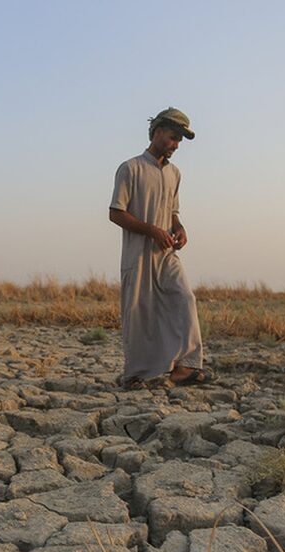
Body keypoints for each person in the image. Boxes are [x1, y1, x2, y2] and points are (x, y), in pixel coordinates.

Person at [108, 107, 207, 388]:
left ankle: (186, 366)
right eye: (173, 138)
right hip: (138, 254)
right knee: (140, 312)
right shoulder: (131, 168)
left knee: (184, 298)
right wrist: (152, 230)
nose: (175, 145)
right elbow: (116, 213)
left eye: (179, 141)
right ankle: (137, 375)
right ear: (157, 132)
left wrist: (179, 227)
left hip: (166, 255)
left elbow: (172, 211)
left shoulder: (175, 173)